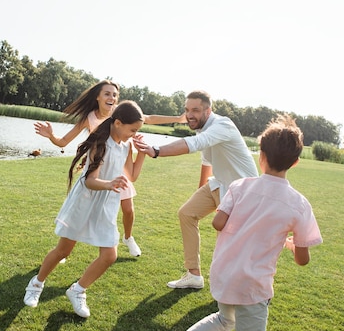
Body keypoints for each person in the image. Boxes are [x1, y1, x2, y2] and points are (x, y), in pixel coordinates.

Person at [155, 114, 323, 331]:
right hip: (253, 285)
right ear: (295, 162)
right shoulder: (299, 204)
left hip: (224, 274)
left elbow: (218, 223)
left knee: (225, 319)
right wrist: (293, 244)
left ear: (261, 156)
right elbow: (302, 259)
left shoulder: (239, 186)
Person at [24, 100, 151, 318]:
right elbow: (90, 181)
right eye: (133, 130)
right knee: (63, 250)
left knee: (110, 255)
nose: (134, 134)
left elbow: (132, 177)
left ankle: (78, 290)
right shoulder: (100, 144)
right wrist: (109, 184)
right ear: (118, 123)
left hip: (106, 206)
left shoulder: (126, 145)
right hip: (85, 200)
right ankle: (36, 284)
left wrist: (141, 153)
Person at [34, 79, 185, 257]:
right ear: (97, 97)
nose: (111, 97)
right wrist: (51, 135)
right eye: (107, 94)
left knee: (128, 209)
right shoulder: (89, 118)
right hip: (98, 170)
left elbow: (149, 118)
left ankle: (128, 238)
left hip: (120, 167)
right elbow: (63, 141)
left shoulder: (121, 114)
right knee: (82, 213)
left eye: (114, 95)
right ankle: (64, 250)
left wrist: (178, 119)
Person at [137, 90, 259, 289]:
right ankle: (194, 275)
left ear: (208, 111)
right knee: (187, 213)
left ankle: (242, 286)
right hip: (219, 184)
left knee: (231, 240)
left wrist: (157, 151)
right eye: (186, 110)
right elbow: (206, 161)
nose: (189, 115)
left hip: (242, 192)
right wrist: (199, 191)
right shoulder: (202, 128)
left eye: (195, 110)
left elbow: (195, 144)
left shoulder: (222, 125)